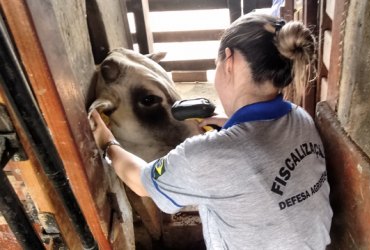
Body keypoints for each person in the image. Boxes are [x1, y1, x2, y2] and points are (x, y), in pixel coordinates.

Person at [90, 13, 333, 250]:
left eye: (216, 65)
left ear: (229, 61)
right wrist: (229, 124)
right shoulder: (300, 117)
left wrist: (106, 141)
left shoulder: (206, 156)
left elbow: (141, 182)